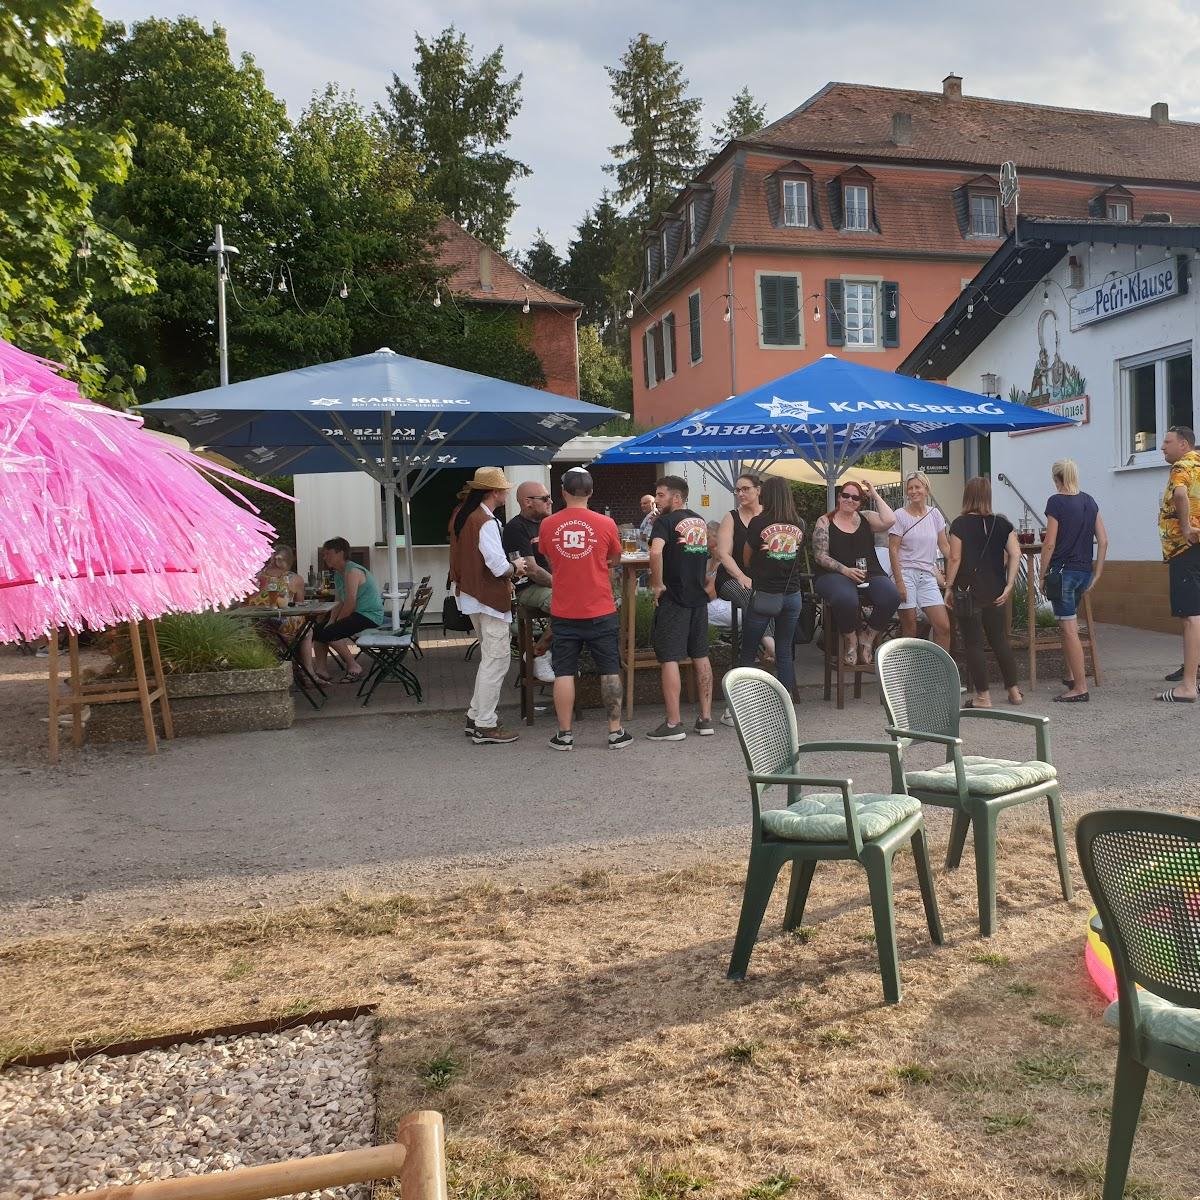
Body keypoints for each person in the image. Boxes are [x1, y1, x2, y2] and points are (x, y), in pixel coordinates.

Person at [537, 468, 631, 750]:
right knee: (609, 669)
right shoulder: (606, 523)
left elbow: (548, 557)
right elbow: (615, 557)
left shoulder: (548, 524)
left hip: (564, 609)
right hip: (600, 607)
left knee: (564, 671)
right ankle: (615, 732)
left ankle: (564, 734)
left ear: (562, 492)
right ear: (590, 492)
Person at [450, 467, 525, 745]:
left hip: (472, 595)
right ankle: (484, 723)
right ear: (494, 492)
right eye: (504, 489)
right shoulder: (484, 521)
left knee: (490, 660)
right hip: (488, 597)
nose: (506, 493)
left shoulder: (465, 516)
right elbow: (498, 566)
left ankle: (476, 716)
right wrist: (516, 566)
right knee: (497, 660)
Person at [944, 477, 1023, 709]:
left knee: (973, 643)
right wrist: (1009, 584)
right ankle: (1014, 692)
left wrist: (948, 586)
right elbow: (1016, 553)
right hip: (996, 590)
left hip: (968, 592)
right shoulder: (1002, 523)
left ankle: (983, 696)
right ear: (988, 496)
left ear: (967, 495)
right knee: (1000, 640)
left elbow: (955, 558)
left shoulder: (960, 524)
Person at [647, 475, 714, 740]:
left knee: (670, 657)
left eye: (661, 495)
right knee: (700, 654)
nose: (656, 500)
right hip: (698, 596)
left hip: (674, 596)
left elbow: (655, 552)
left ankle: (673, 723)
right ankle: (705, 719)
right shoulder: (699, 520)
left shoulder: (664, 522)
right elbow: (707, 554)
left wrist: (657, 584)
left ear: (676, 497)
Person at [1040, 458, 1107, 703]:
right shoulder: (1089, 501)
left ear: (1056, 478)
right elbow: (1103, 540)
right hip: (1083, 572)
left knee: (1069, 630)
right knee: (1068, 624)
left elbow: (1049, 543)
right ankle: (1071, 675)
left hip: (1063, 572)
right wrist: (1097, 572)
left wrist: (1042, 574)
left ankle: (1080, 687)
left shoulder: (1056, 502)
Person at [813, 480, 899, 665]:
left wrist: (874, 494)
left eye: (855, 497)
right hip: (834, 574)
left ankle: (867, 638)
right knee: (846, 598)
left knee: (891, 596)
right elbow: (820, 556)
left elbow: (890, 520)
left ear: (860, 501)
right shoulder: (825, 521)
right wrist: (845, 570)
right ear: (839, 497)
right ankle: (850, 638)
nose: (850, 500)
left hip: (868, 572)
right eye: (846, 495)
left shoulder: (865, 517)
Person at [738, 476, 807, 699]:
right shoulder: (800, 523)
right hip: (792, 594)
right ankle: (786, 700)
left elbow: (746, 557)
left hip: (765, 594)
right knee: (784, 650)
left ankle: (743, 700)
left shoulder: (758, 522)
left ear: (766, 495)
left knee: (748, 651)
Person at [1156, 426, 1200, 702]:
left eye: (1167, 441)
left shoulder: (1182, 466)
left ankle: (1188, 686)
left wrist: (1185, 527)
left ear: (1183, 444)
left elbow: (1180, 494)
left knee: (1190, 616)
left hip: (1185, 548)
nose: (1162, 446)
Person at [890, 471, 951, 650]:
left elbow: (945, 546)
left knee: (943, 626)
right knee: (910, 627)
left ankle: (940, 666)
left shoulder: (935, 514)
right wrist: (899, 582)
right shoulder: (899, 515)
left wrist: (959, 563)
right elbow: (893, 549)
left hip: (927, 575)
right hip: (905, 573)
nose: (914, 491)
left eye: (917, 487)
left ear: (926, 489)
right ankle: (907, 667)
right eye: (910, 488)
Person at [502, 481, 555, 684]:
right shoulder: (515, 528)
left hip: (549, 585)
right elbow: (531, 569)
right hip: (527, 587)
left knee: (584, 604)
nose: (550, 501)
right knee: (567, 605)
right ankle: (538, 654)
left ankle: (555, 655)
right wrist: (563, 585)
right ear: (527, 502)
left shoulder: (547, 524)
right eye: (545, 498)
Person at [312, 538, 384, 684]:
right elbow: (339, 601)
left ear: (340, 553)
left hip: (369, 615)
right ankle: (321, 670)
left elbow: (350, 602)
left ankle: (354, 666)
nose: (324, 557)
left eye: (328, 553)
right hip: (358, 614)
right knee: (318, 630)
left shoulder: (352, 571)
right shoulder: (339, 573)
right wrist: (331, 620)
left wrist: (336, 623)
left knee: (331, 633)